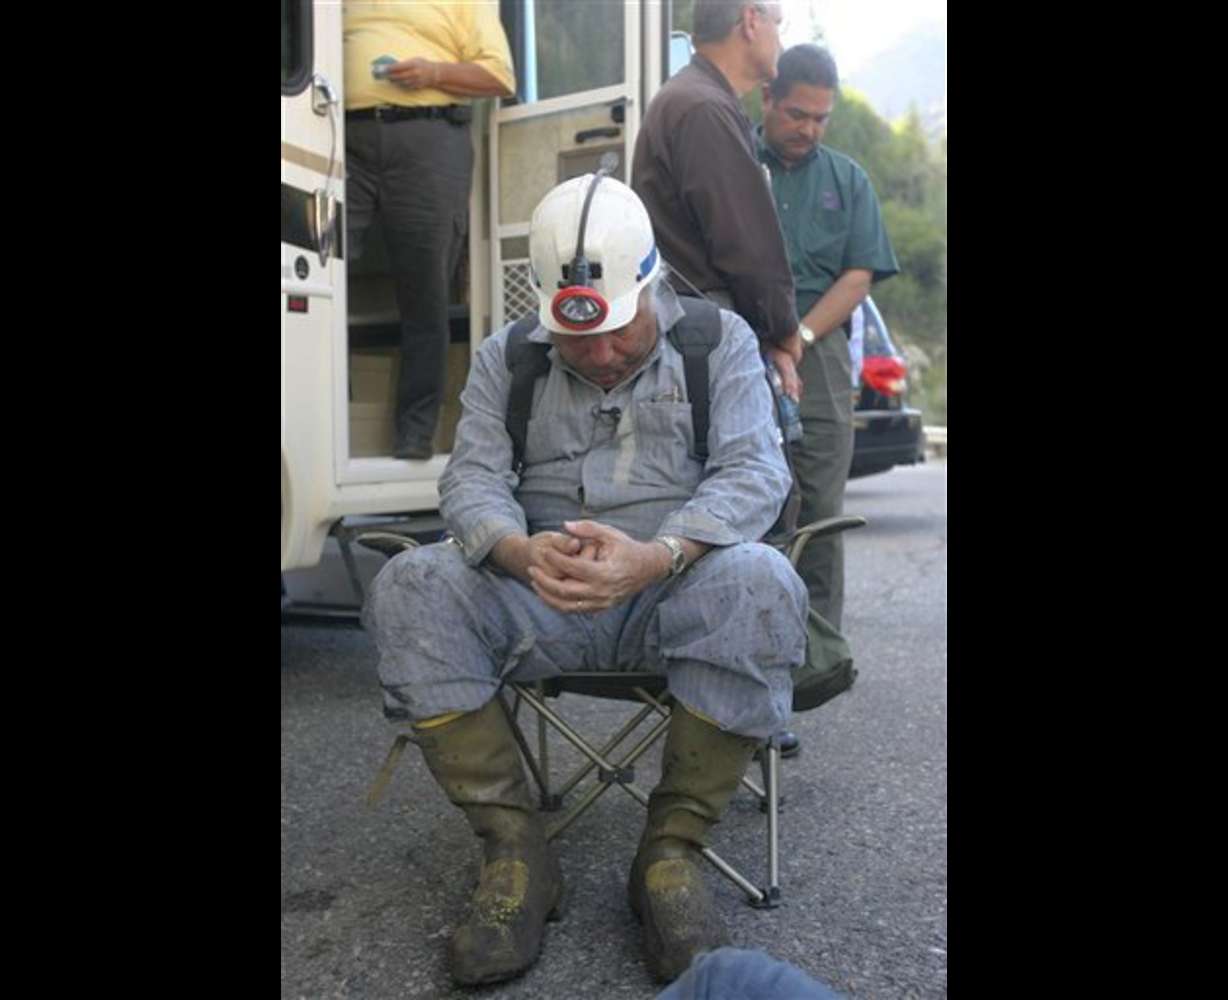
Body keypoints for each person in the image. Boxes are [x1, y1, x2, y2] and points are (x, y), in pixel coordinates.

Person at [362, 174, 808, 987]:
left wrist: (660, 554)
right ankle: (516, 852)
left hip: (675, 593)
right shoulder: (507, 357)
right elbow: (470, 482)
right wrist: (515, 552)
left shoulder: (721, 342)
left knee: (763, 580)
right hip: (541, 594)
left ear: (650, 286)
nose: (600, 356)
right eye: (576, 341)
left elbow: (754, 474)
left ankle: (671, 854)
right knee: (410, 584)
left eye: (617, 334)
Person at [758, 44, 899, 629]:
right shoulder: (737, 163)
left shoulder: (848, 178)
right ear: (767, 98)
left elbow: (859, 276)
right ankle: (738, 644)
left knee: (819, 509)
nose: (809, 129)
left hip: (819, 356)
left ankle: (814, 655)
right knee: (748, 504)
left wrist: (802, 337)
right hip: (738, 347)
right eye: (797, 115)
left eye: (821, 118)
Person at [342, 1, 515, 460]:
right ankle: (319, 416)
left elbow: (500, 77)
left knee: (425, 292)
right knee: (316, 278)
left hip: (428, 138)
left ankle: (414, 435)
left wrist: (433, 73)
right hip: (341, 136)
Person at [631, 0, 802, 387]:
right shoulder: (703, 107)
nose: (781, 38)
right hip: (702, 336)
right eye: (779, 22)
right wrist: (784, 331)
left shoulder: (697, 97)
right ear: (751, 21)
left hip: (692, 329)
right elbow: (746, 246)